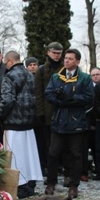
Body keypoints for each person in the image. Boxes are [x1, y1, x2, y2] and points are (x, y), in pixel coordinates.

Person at [44, 49, 94, 199]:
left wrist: (70, 98)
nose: (66, 61)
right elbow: (48, 94)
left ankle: (74, 185)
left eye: (70, 59)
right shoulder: (56, 77)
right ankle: (51, 183)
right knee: (53, 153)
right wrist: (61, 100)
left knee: (76, 154)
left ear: (77, 62)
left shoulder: (85, 78)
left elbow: (89, 98)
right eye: (65, 58)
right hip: (59, 120)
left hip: (76, 122)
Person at [0, 51, 42, 199]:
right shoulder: (30, 75)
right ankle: (31, 183)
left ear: (10, 61)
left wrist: (0, 114)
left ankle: (19, 185)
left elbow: (7, 100)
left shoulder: (9, 77)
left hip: (13, 122)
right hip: (29, 122)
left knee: (15, 156)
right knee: (30, 155)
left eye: (5, 63)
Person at [35, 42, 65, 175]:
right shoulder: (42, 70)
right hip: (47, 112)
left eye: (59, 53)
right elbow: (38, 93)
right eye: (54, 53)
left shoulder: (66, 68)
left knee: (64, 143)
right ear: (48, 52)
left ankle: (62, 167)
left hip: (64, 110)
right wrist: (40, 112)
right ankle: (49, 168)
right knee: (49, 144)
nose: (57, 56)